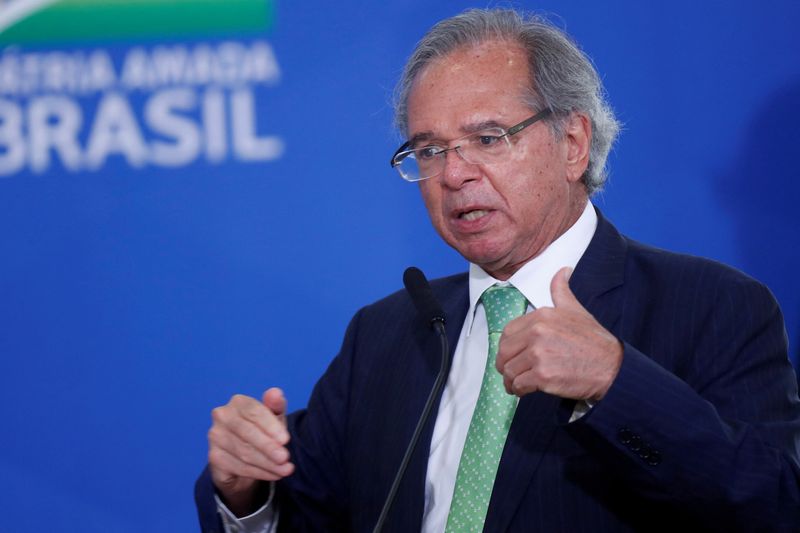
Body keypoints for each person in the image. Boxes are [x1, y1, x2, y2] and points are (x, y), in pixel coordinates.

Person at [195, 8, 800, 532]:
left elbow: (772, 508)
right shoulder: (386, 335)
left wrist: (617, 384)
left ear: (573, 143)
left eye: (488, 138)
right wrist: (247, 492)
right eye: (429, 150)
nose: (453, 174)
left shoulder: (711, 306)